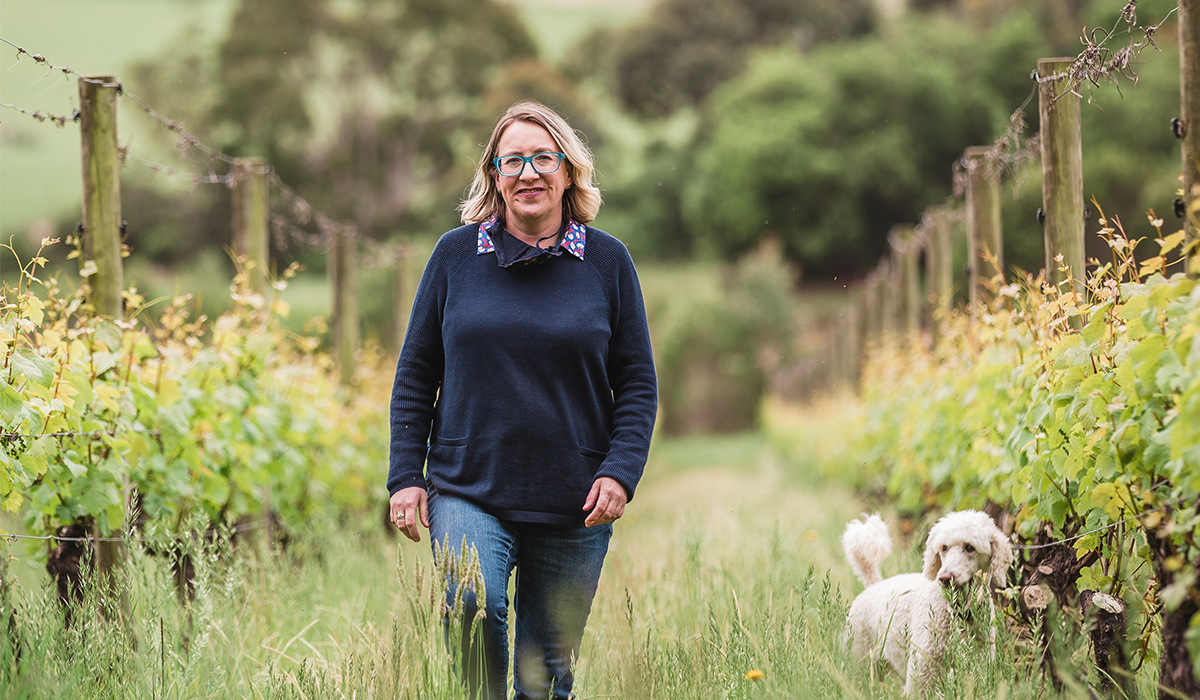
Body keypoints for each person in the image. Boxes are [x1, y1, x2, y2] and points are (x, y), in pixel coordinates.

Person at [386, 101, 658, 700]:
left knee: (545, 674)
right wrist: (406, 477)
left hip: (574, 500)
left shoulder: (609, 263)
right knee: (472, 607)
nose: (528, 172)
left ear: (567, 172)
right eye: (513, 160)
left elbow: (637, 383)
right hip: (466, 485)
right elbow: (415, 376)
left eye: (543, 158)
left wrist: (620, 473)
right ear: (494, 175)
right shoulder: (455, 256)